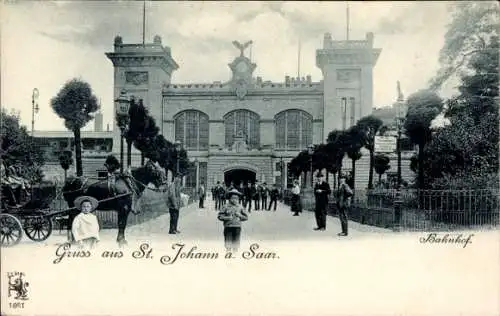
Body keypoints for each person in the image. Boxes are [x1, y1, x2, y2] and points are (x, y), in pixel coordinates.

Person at [217, 188, 249, 252]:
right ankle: (228, 254)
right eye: (233, 198)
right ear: (230, 198)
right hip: (228, 227)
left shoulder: (240, 207)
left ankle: (235, 254)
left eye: (236, 198)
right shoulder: (225, 206)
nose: (235, 200)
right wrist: (227, 218)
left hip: (237, 227)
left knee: (236, 243)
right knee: (228, 243)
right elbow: (219, 216)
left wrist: (240, 215)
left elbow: (246, 217)